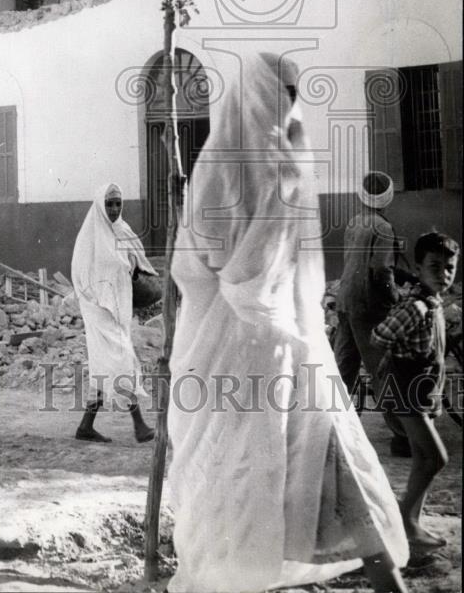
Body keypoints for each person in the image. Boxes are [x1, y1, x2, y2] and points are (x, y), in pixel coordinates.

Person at [167, 54, 409, 593]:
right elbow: (215, 258)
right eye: (284, 91)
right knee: (277, 464)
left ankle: (367, 574)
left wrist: (253, 289)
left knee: (296, 457)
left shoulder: (262, 160)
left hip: (268, 344)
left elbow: (211, 261)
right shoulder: (244, 163)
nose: (288, 103)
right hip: (255, 344)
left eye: (293, 92)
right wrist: (254, 286)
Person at [372, 231, 459, 551]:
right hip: (408, 388)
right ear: (419, 268)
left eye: (450, 267)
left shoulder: (434, 302)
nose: (444, 274)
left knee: (424, 457)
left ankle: (412, 527)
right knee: (436, 458)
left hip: (424, 389)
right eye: (434, 267)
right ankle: (403, 518)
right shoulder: (417, 307)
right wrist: (398, 358)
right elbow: (379, 336)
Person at [334, 171, 416, 455]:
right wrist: (394, 295)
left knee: (343, 369)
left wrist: (401, 274)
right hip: (369, 308)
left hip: (345, 301)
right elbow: (381, 269)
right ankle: (403, 436)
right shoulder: (383, 227)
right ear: (388, 197)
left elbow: (360, 261)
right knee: (383, 371)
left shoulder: (356, 222)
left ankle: (333, 430)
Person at [71, 183, 157, 444]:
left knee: (104, 365)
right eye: (109, 204)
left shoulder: (124, 230)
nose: (114, 208)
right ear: (100, 205)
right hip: (99, 310)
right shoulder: (91, 236)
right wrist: (99, 299)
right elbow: (80, 273)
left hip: (120, 308)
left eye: (118, 203)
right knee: (122, 360)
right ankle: (139, 425)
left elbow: (139, 263)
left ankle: (86, 426)